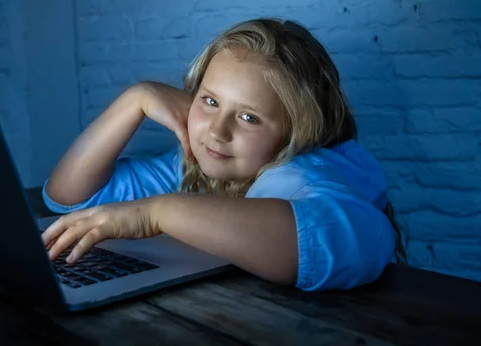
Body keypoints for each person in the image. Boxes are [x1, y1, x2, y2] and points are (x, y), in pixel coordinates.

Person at [41, 18, 405, 291]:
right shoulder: (201, 162)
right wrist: (135, 99)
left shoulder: (300, 172)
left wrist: (158, 212)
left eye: (249, 117)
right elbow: (70, 197)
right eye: (210, 101)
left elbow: (337, 241)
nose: (217, 131)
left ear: (297, 131)